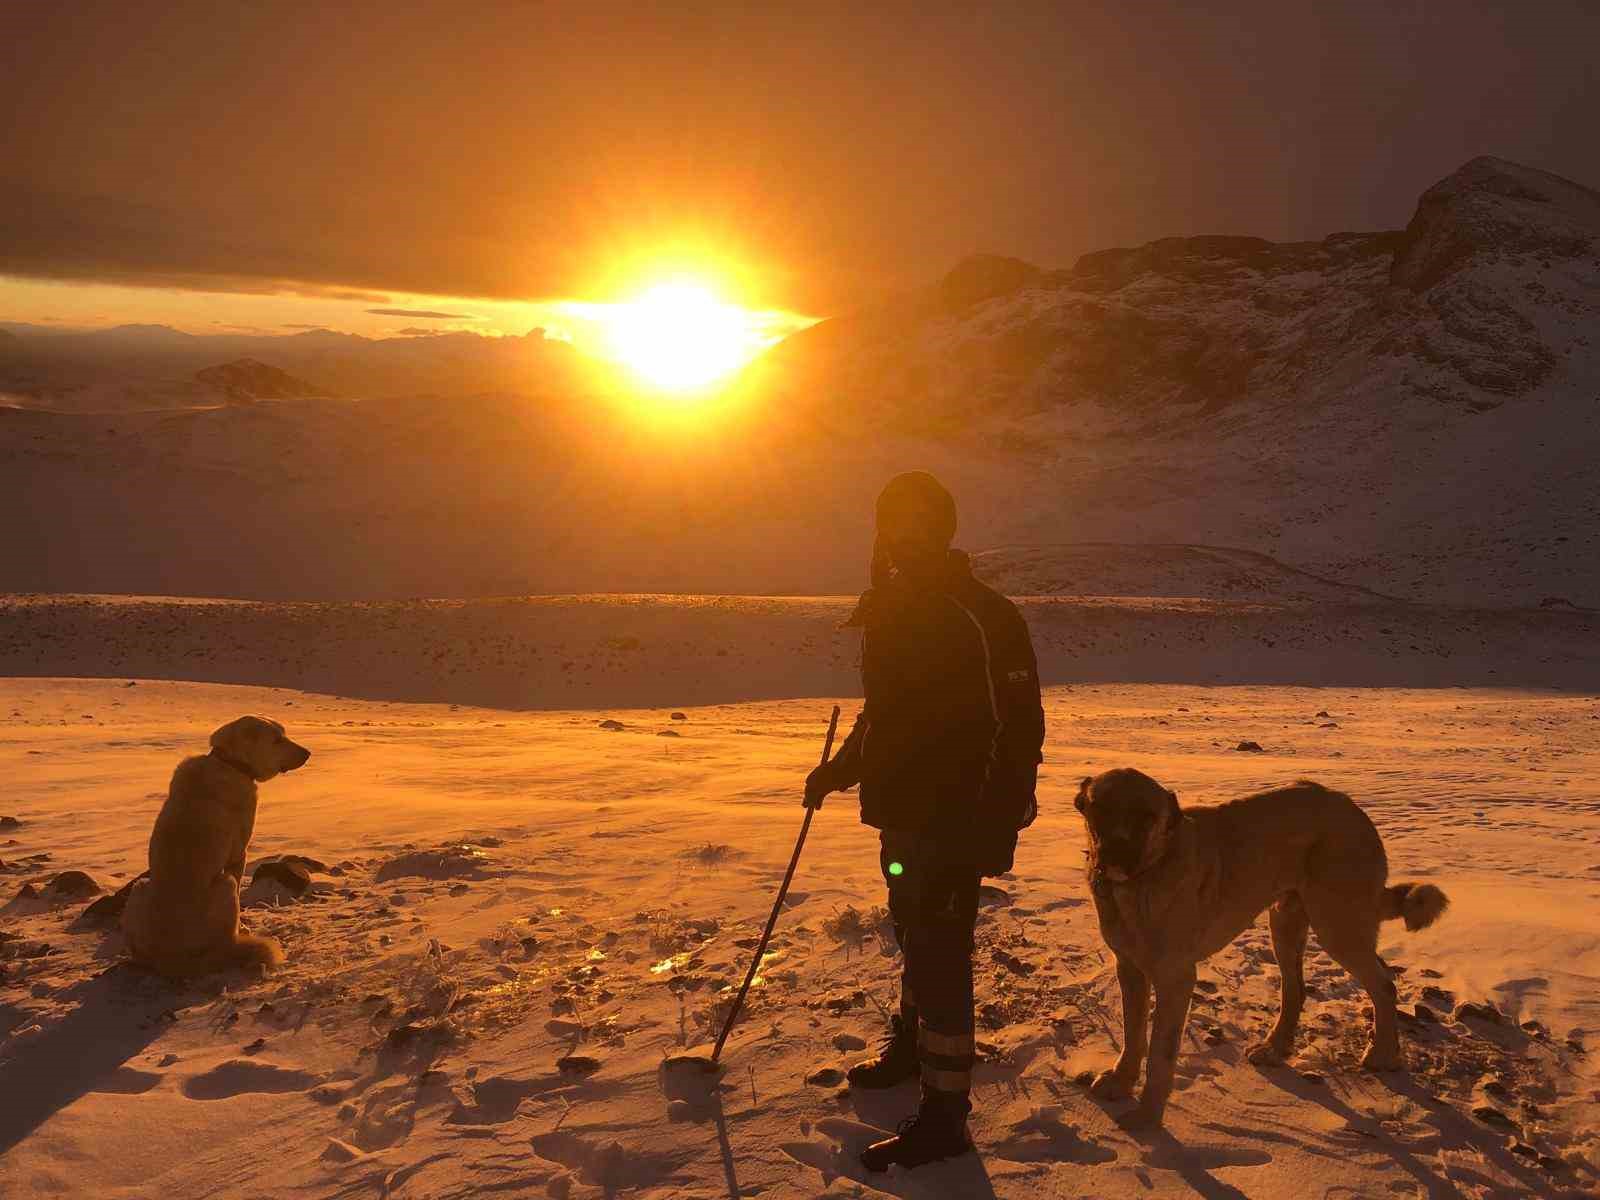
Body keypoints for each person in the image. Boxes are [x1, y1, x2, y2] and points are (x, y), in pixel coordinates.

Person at [805, 470, 1045, 1171]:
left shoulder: (985, 614)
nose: (902, 535)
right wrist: (840, 769)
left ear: (942, 528)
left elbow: (1019, 724)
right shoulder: (890, 605)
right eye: (892, 522)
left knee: (941, 956)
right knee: (911, 929)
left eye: (917, 522)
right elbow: (883, 713)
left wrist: (997, 821)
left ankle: (946, 1116)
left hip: (957, 817)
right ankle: (912, 1045)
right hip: (901, 814)